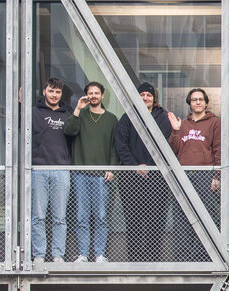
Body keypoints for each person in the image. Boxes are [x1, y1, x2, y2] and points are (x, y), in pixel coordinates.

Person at [114, 82, 173, 262]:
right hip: (131, 180)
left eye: (148, 95)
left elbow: (163, 145)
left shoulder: (162, 118)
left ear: (154, 99)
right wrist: (136, 165)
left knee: (155, 219)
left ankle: (153, 259)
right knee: (133, 219)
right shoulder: (127, 118)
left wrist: (149, 165)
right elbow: (121, 146)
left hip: (156, 179)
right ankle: (135, 259)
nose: (145, 98)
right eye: (142, 95)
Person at [65, 81, 119, 263]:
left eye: (97, 93)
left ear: (102, 96)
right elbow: (69, 130)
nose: (94, 96)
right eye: (90, 93)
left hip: (101, 176)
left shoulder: (111, 119)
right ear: (86, 96)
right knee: (81, 216)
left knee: (101, 216)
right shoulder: (81, 115)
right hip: (81, 174)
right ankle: (83, 254)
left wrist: (112, 169)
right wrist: (77, 109)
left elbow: (114, 147)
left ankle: (99, 254)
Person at [167, 88, 222, 261]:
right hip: (184, 176)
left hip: (204, 176)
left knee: (204, 217)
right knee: (182, 218)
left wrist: (217, 176)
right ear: (189, 104)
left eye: (200, 99)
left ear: (206, 102)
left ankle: (201, 257)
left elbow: (219, 150)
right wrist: (176, 131)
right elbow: (173, 150)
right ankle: (183, 259)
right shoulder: (182, 124)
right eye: (194, 100)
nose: (197, 102)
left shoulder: (215, 123)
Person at [31, 78, 72, 263]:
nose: (54, 95)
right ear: (44, 91)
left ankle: (57, 255)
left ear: (61, 94)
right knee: (38, 216)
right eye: (51, 91)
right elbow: (16, 126)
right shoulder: (33, 112)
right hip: (38, 169)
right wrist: (19, 103)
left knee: (60, 218)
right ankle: (38, 255)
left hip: (61, 170)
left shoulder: (68, 114)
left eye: (57, 92)